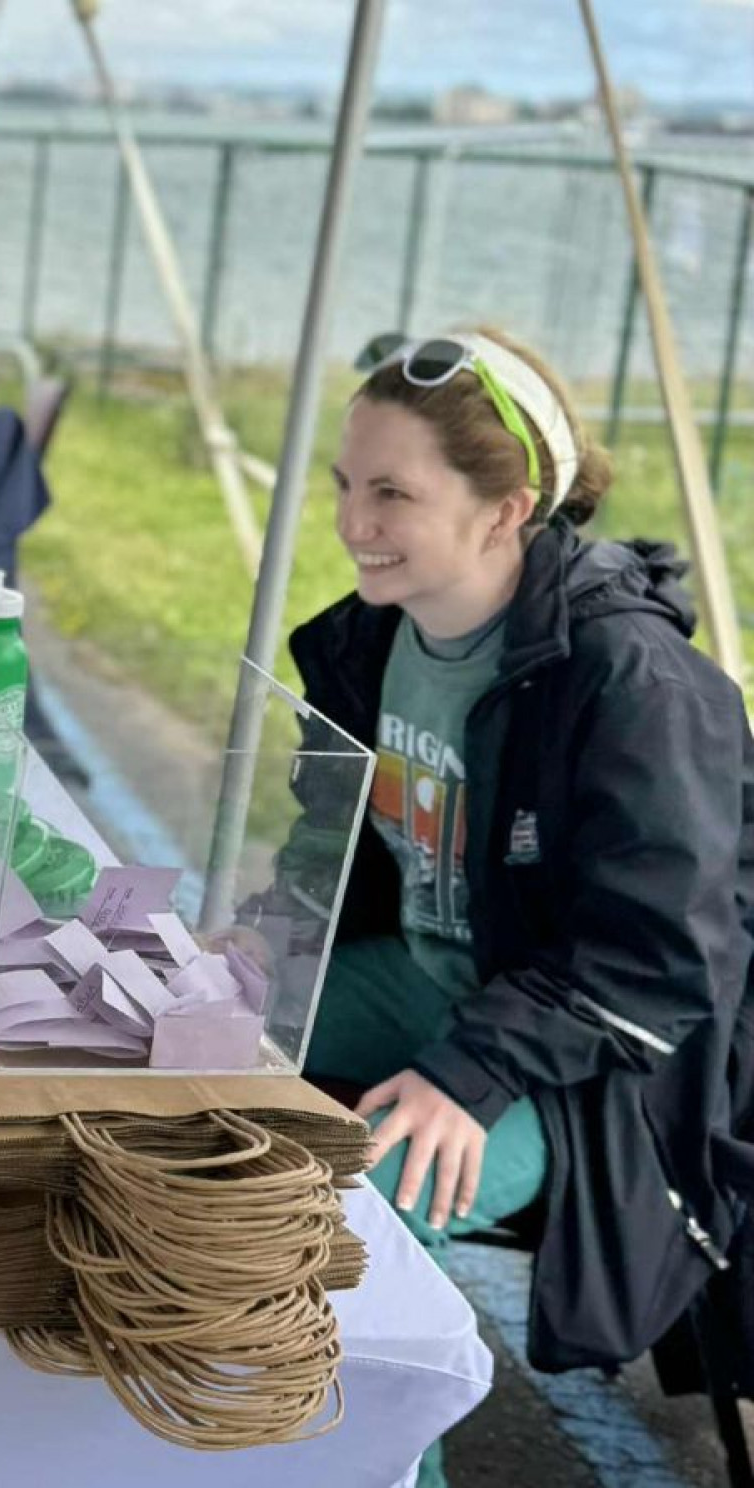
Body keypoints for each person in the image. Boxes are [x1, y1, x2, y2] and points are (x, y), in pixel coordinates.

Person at [292, 329, 754, 1486]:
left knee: (330, 1237)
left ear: (506, 508)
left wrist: (468, 1073)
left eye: (391, 493)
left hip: (594, 1071)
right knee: (190, 1058)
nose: (352, 523)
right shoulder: (362, 639)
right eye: (345, 485)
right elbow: (330, 844)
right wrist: (255, 949)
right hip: (427, 977)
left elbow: (663, 958)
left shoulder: (632, 682)